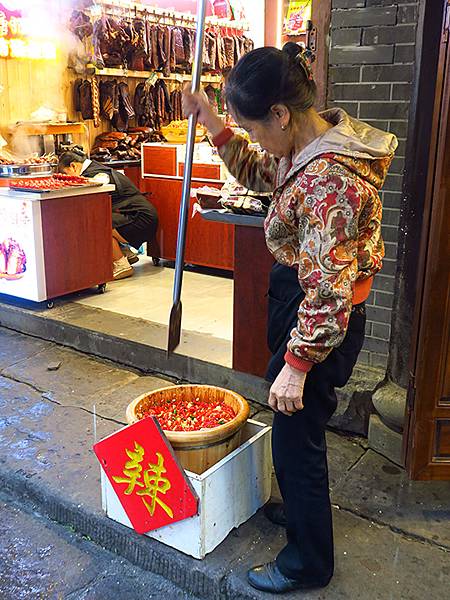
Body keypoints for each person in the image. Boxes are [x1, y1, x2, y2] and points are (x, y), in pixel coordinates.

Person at [183, 42, 397, 594]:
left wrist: (298, 363)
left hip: (322, 317)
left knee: (295, 434)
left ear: (280, 113)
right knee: (300, 431)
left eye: (255, 128)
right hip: (303, 301)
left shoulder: (331, 178)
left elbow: (329, 287)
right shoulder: (304, 140)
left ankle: (308, 562)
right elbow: (264, 176)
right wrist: (214, 124)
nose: (256, 141)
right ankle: (303, 513)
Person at [58, 149, 158, 280]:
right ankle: (126, 254)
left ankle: (122, 265)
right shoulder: (96, 168)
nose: (66, 177)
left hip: (141, 219)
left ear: (73, 166)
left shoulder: (97, 175)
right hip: (144, 216)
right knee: (100, 217)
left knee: (96, 224)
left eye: (65, 173)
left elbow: (99, 185)